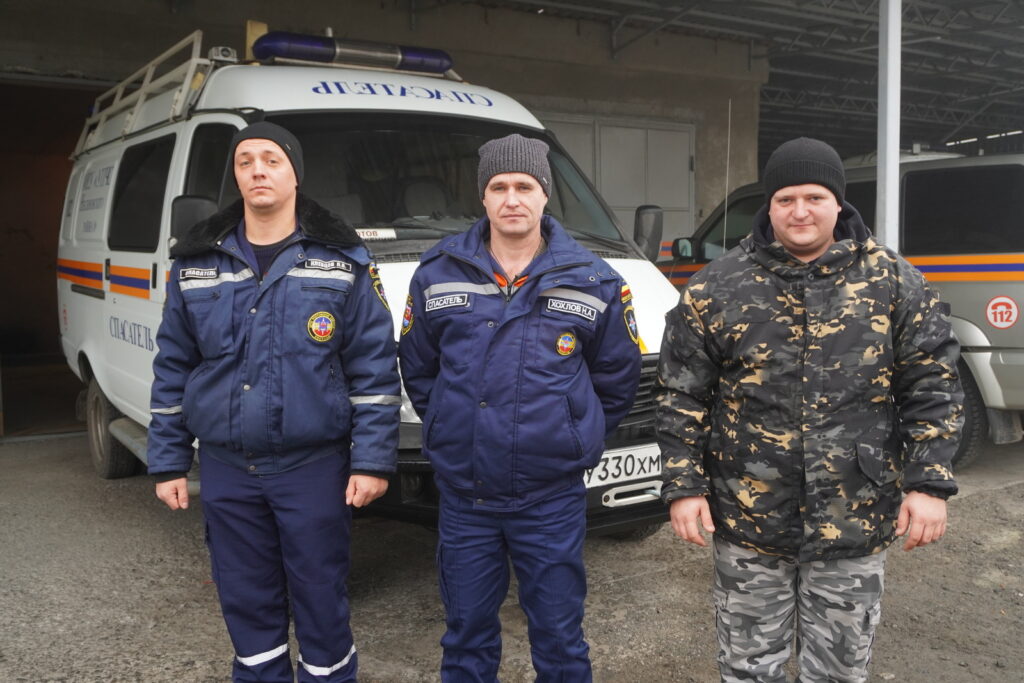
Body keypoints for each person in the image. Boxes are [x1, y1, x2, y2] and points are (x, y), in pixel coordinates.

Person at [656, 137, 963, 682]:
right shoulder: (715, 287)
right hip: (747, 517)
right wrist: (684, 486)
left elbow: (932, 384)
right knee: (749, 669)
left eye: (815, 197)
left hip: (854, 515)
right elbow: (682, 394)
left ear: (838, 204)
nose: (800, 211)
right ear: (769, 206)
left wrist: (929, 485)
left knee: (840, 671)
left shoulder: (893, 281)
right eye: (786, 199)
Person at [147, 121, 400, 682]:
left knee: (321, 599)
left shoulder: (343, 260)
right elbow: (173, 367)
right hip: (227, 469)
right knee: (245, 600)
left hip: (312, 467)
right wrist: (167, 461)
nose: (258, 170)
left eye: (271, 159)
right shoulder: (195, 263)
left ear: (295, 173)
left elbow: (374, 367)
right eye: (245, 161)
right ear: (236, 176)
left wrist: (372, 460)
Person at [398, 133, 641, 681]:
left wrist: (573, 434)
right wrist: (451, 425)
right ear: (482, 196)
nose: (512, 199)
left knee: (559, 639)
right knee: (466, 635)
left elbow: (616, 380)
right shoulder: (437, 272)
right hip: (466, 497)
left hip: (550, 498)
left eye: (525, 186)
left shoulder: (595, 280)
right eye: (499, 186)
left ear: (544, 194)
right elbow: (419, 368)